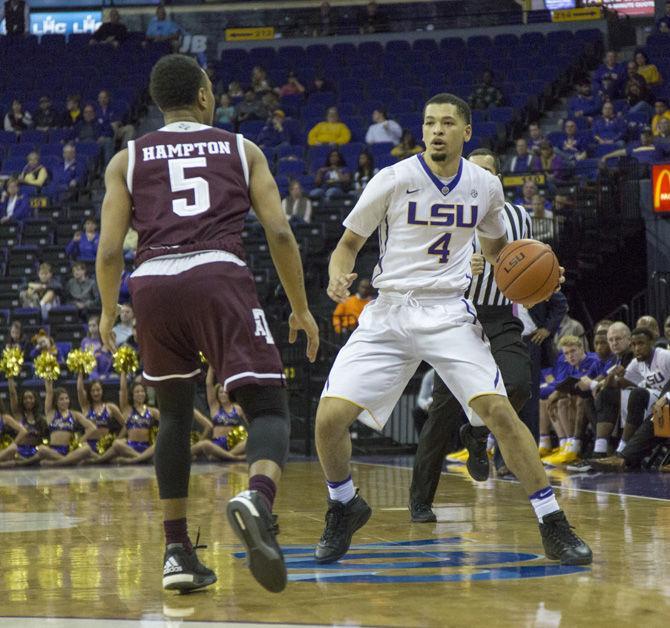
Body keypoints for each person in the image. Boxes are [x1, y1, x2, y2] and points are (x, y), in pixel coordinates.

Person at [313, 92, 591, 567]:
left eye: (446, 123)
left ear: (466, 132)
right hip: (391, 310)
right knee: (327, 420)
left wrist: (542, 277)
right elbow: (348, 244)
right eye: (428, 123)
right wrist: (339, 275)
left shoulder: (485, 186)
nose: (436, 130)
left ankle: (553, 523)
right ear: (421, 131)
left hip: (448, 312)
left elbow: (503, 252)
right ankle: (344, 504)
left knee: (500, 412)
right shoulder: (393, 179)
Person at [95, 54, 318, 593]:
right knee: (267, 405)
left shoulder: (126, 159)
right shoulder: (242, 149)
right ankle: (256, 498)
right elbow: (282, 234)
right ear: (202, 96)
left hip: (152, 284)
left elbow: (107, 251)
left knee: (173, 416)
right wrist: (301, 308)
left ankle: (176, 553)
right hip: (218, 274)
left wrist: (108, 310)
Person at [409, 148, 533, 520]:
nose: (479, 178)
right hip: (457, 317)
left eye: (487, 171)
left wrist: (549, 278)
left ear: (497, 179)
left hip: (499, 316)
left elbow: (528, 264)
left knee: (519, 384)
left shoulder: (518, 216)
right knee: (443, 413)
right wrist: (464, 265)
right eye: (472, 171)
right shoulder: (445, 213)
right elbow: (425, 267)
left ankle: (477, 434)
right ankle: (420, 500)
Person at [591, 328, 670, 470]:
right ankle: (606, 452)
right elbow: (616, 384)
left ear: (652, 343)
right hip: (658, 403)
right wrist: (612, 375)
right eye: (633, 345)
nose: (637, 348)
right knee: (609, 394)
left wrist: (666, 397)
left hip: (662, 400)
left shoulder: (665, 356)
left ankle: (622, 454)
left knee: (640, 395)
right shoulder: (637, 362)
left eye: (641, 344)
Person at [539, 336, 602, 466]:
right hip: (582, 399)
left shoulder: (593, 360)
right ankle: (564, 444)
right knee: (552, 401)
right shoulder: (571, 366)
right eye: (566, 353)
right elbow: (564, 385)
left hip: (594, 399)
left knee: (563, 401)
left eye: (573, 351)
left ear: (581, 348)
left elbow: (583, 385)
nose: (570, 356)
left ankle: (572, 444)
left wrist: (557, 394)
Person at [14, 380, 97, 467]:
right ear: (56, 402)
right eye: (61, 399)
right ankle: (70, 461)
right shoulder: (51, 413)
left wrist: (80, 441)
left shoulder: (74, 414)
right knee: (42, 449)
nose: (65, 401)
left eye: (66, 398)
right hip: (54, 450)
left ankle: (57, 463)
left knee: (86, 449)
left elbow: (92, 427)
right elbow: (49, 392)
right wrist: (48, 376)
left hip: (69, 450)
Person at [191, 367, 247, 461]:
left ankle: (226, 456)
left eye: (225, 392)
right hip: (216, 444)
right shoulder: (215, 407)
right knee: (205, 444)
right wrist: (211, 366)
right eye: (221, 392)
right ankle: (232, 457)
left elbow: (250, 423)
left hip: (233, 445)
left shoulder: (238, 408)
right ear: (217, 394)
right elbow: (209, 384)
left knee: (250, 441)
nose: (223, 395)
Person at [76, 373, 125, 459]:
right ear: (89, 393)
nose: (96, 393)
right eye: (93, 391)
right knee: (83, 449)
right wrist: (80, 372)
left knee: (120, 445)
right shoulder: (85, 406)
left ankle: (98, 460)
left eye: (98, 390)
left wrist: (118, 438)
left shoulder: (110, 407)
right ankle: (102, 459)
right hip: (88, 446)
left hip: (106, 446)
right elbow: (79, 390)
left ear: (102, 391)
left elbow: (126, 425)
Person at [0, 397, 28, 464]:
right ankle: (4, 464)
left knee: (13, 448)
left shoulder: (4, 417)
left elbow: (23, 431)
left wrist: (13, 443)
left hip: (2, 451)